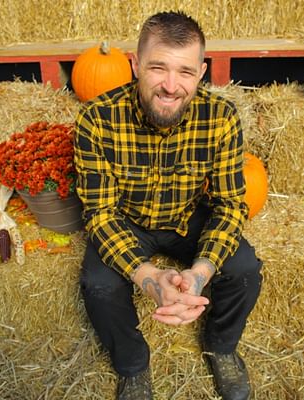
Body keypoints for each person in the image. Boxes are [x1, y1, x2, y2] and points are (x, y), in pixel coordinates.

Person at [72, 10, 263, 400]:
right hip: (125, 219)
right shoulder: (97, 119)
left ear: (202, 72)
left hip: (186, 216)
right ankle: (133, 366)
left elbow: (229, 205)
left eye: (185, 72)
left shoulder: (221, 117)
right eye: (158, 68)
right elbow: (100, 215)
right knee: (98, 286)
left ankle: (221, 347)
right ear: (135, 64)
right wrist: (148, 278)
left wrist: (198, 274)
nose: (171, 86)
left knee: (245, 270)